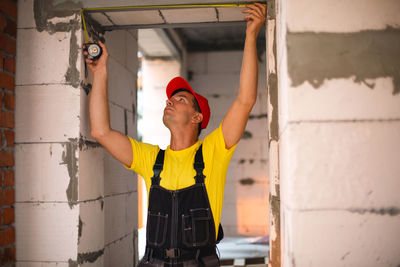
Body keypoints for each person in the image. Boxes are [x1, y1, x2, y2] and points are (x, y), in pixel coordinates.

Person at [84, 3, 266, 266]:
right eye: (169, 98)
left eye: (179, 99)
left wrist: (251, 36)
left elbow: (246, 99)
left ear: (197, 117)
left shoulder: (213, 151)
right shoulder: (150, 159)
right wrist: (100, 72)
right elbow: (100, 131)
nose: (169, 101)